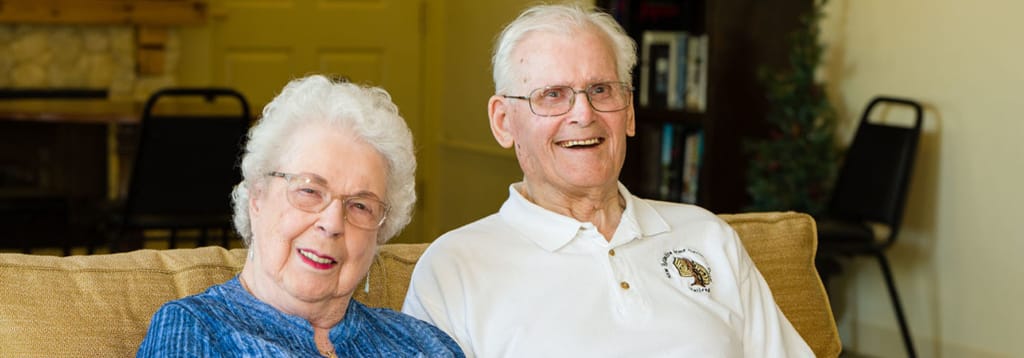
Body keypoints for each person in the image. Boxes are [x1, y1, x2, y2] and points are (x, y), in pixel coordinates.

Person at [401, 3, 813, 357]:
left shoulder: (707, 236)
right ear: (504, 121)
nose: (583, 113)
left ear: (629, 111)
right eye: (553, 95)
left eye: (601, 90)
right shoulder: (454, 268)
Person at [137, 75, 464, 357]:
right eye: (309, 191)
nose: (333, 223)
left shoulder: (422, 343)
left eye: (360, 206)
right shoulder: (193, 330)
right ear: (257, 197)